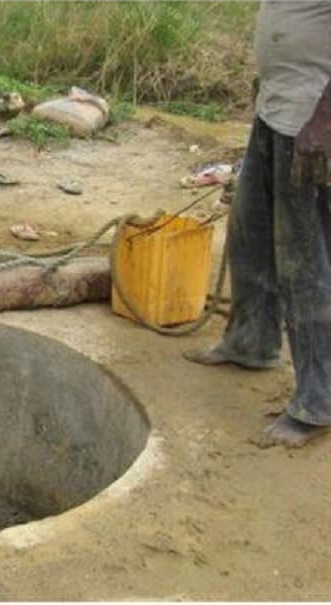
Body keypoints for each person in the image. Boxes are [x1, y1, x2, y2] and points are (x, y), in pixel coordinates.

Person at [185, 0, 331, 448]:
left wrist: (324, 123)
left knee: (303, 264)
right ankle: (250, 342)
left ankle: (318, 401)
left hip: (310, 124)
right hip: (275, 113)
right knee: (250, 236)